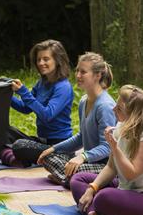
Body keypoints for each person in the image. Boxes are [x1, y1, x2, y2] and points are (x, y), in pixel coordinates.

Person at [69, 85, 143, 215]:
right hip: (128, 188)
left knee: (104, 197)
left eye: (119, 108)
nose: (114, 110)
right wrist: (92, 188)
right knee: (79, 179)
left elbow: (131, 174)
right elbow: (111, 167)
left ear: (134, 114)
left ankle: (99, 210)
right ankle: (94, 213)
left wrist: (114, 147)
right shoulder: (124, 124)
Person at [0, 39, 74, 167]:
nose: (41, 63)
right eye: (38, 59)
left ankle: (16, 157)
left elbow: (47, 115)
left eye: (46, 59)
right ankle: (15, 159)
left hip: (60, 147)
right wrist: (4, 92)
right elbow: (25, 108)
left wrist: (23, 92)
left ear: (58, 61)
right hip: (43, 142)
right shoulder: (41, 84)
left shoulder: (63, 87)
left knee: (19, 146)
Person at [36, 52, 116, 186]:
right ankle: (69, 179)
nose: (78, 75)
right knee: (48, 157)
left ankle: (71, 179)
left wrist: (83, 156)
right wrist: (54, 149)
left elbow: (108, 147)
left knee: (75, 170)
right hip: (90, 163)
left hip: (108, 167)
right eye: (77, 71)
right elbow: (81, 137)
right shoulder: (84, 101)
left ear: (98, 75)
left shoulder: (105, 106)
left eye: (83, 72)